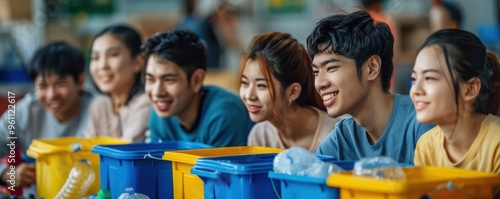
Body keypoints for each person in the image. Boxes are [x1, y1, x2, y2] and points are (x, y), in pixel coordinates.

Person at [307, 11, 435, 164]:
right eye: (316, 72)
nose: (320, 83)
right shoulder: (341, 140)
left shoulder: (422, 124)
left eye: (331, 68)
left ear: (372, 68)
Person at [0, 42, 94, 188]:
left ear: (80, 81)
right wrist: (7, 174)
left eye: (60, 84)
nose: (51, 95)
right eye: (42, 86)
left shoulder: (99, 110)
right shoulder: (24, 112)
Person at [142, 29, 252, 146]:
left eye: (169, 80)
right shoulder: (161, 112)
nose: (157, 92)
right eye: (150, 79)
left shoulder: (225, 113)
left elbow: (219, 164)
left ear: (197, 80)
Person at [412, 29, 500, 174]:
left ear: (469, 89)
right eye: (414, 79)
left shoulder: (496, 143)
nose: (415, 90)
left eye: (429, 78)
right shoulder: (425, 146)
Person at [239, 32, 340, 152]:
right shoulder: (260, 135)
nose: (249, 95)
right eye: (245, 83)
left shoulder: (335, 134)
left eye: (261, 85)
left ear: (292, 92)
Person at [86, 25, 150, 142]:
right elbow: (85, 151)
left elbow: (126, 151)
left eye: (113, 55)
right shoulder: (99, 105)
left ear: (137, 62)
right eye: (95, 57)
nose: (102, 66)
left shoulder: (145, 103)